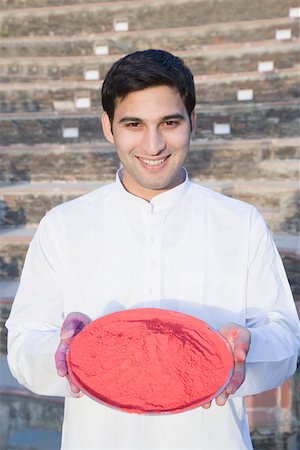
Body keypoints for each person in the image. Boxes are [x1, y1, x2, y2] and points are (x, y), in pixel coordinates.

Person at [6, 49, 300, 450]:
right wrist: (64, 350)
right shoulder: (64, 226)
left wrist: (248, 345)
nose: (153, 143)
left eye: (170, 122)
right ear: (108, 127)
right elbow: (25, 345)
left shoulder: (240, 223)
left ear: (192, 123)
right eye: (133, 124)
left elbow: (282, 335)